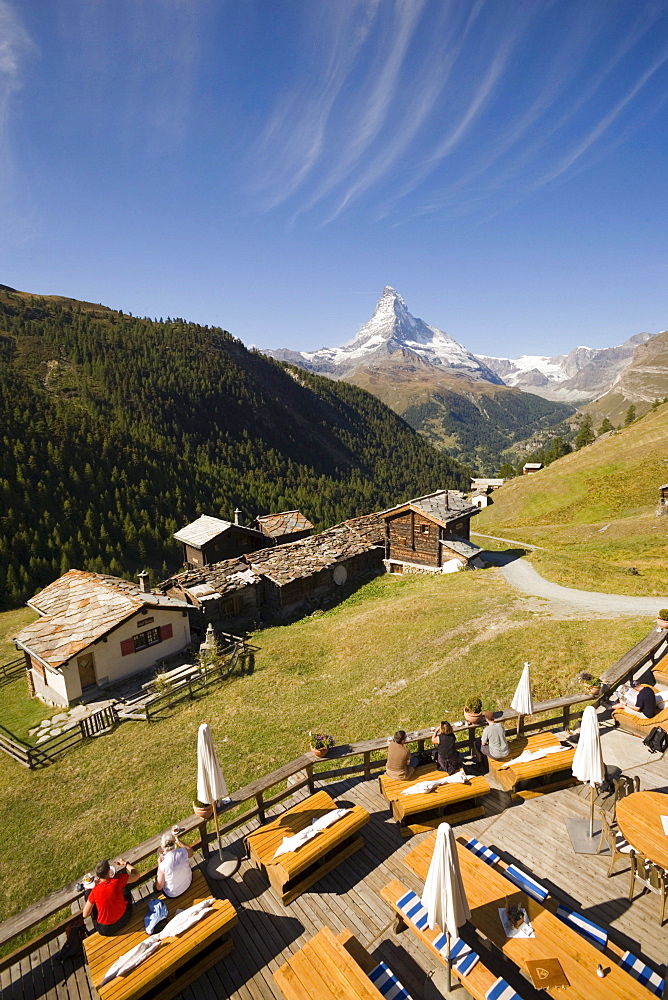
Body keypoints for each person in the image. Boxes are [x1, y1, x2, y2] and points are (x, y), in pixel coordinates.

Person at [82, 858, 141, 936]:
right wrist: (125, 863)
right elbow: (136, 875)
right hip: (125, 918)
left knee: (88, 894)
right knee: (124, 877)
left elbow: (85, 914)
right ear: (109, 871)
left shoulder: (94, 891)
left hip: (106, 930)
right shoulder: (118, 880)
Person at [155, 830, 194, 898]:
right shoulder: (182, 852)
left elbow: (159, 887)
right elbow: (191, 852)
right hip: (188, 882)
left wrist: (159, 864)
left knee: (156, 884)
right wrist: (179, 842)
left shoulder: (163, 865)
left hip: (173, 893)